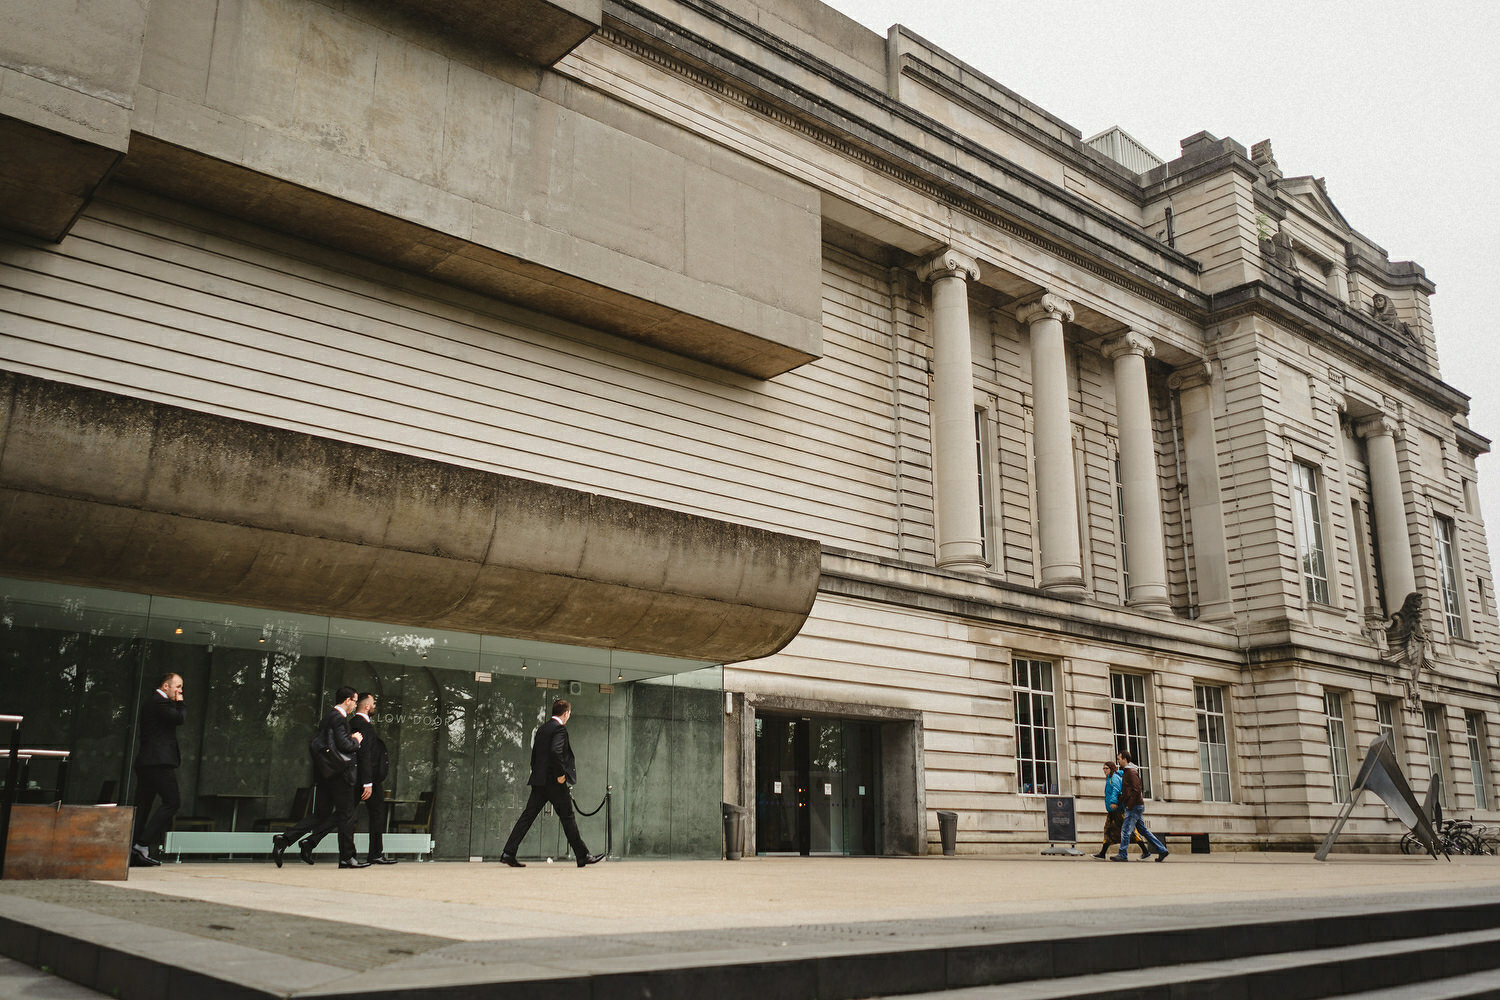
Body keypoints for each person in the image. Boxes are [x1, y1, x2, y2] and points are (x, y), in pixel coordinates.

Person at [498, 699, 604, 868]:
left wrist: (538, 773)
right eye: (569, 713)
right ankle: (583, 856)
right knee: (568, 817)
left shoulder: (542, 729)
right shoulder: (559, 729)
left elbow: (535, 756)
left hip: (539, 781)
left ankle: (508, 853)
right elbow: (556, 751)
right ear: (566, 713)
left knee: (527, 816)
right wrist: (561, 775)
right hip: (554, 782)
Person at [272, 686, 366, 869]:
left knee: (321, 814)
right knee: (346, 815)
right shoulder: (339, 719)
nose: (355, 705)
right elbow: (345, 745)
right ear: (347, 700)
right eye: (354, 701)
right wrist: (356, 740)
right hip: (340, 775)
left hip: (326, 775)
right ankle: (347, 857)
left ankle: (285, 839)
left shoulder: (327, 718)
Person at [130, 672, 185, 867]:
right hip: (158, 762)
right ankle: (141, 844)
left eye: (181, 688)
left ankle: (132, 850)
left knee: (143, 806)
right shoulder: (158, 702)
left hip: (148, 762)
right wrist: (180, 703)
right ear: (165, 686)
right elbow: (179, 718)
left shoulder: (154, 703)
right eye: (177, 687)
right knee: (172, 802)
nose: (180, 691)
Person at [351, 692, 397, 865]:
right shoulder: (359, 724)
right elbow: (364, 755)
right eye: (373, 703)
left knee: (376, 814)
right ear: (367, 706)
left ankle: (376, 853)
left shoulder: (362, 724)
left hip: (369, 779)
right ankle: (311, 841)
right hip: (365, 779)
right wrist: (367, 782)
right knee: (345, 814)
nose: (375, 706)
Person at [1113, 749, 1169, 862]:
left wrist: (1130, 805)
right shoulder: (1128, 772)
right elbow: (1127, 791)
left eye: (1119, 759)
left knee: (1125, 830)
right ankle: (1162, 850)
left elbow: (1136, 789)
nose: (1118, 761)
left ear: (1124, 759)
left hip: (1134, 806)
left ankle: (1123, 854)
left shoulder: (1131, 772)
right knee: (1143, 830)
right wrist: (1119, 803)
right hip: (1136, 805)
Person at [1094, 761, 1149, 860]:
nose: (1104, 770)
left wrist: (1114, 802)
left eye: (1106, 768)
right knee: (1108, 830)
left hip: (1118, 810)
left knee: (1131, 831)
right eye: (1103, 768)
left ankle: (1145, 851)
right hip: (1112, 811)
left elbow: (1117, 789)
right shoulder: (1109, 778)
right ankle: (1102, 853)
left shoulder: (1114, 778)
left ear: (1111, 768)